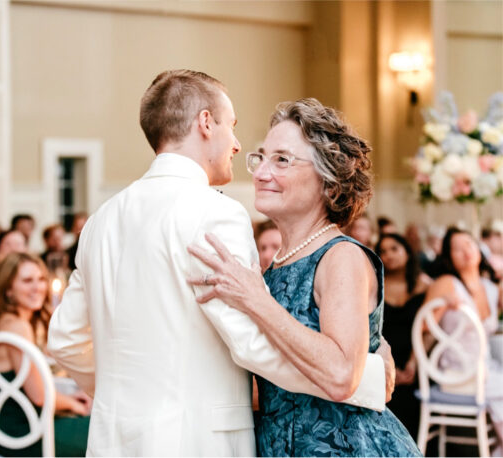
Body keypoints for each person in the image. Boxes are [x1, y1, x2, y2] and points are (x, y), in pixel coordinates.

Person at [46, 70, 389, 456]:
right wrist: (365, 376)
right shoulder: (216, 213)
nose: (238, 145)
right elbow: (249, 345)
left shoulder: (101, 220)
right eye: (232, 125)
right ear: (206, 123)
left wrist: (127, 398)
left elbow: (64, 338)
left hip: (113, 438)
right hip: (198, 441)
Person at [187, 98, 420, 455]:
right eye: (261, 157)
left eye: (282, 159)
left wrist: (257, 301)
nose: (262, 172)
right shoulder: (274, 265)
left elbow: (342, 375)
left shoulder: (341, 256)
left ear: (330, 183)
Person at [0, 253, 90, 457]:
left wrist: (70, 399)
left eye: (40, 279)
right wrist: (76, 405)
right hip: (23, 434)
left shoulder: (8, 321)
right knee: (107, 430)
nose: (37, 287)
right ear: (9, 289)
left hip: (19, 427)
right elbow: (39, 396)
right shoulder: (16, 327)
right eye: (27, 281)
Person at [421, 227, 503, 448]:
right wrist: (442, 305)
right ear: (449, 258)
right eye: (457, 248)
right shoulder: (446, 283)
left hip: (485, 369)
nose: (466, 251)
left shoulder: (490, 287)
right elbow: (421, 328)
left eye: (469, 243)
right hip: (456, 372)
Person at [377, 233, 432, 438]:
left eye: (394, 249)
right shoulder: (375, 284)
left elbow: (430, 328)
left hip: (416, 359)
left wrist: (414, 362)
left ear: (407, 252)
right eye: (383, 251)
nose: (389, 255)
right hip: (383, 356)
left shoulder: (426, 285)